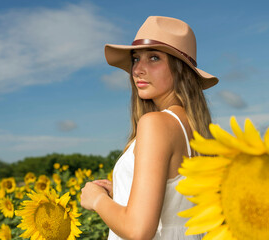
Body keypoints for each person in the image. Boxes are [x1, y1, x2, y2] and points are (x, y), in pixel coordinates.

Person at [80, 16, 219, 240]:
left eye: (154, 58)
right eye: (136, 59)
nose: (138, 69)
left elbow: (138, 231)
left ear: (181, 69)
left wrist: (96, 199)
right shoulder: (197, 130)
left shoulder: (156, 123)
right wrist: (123, 194)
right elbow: (177, 205)